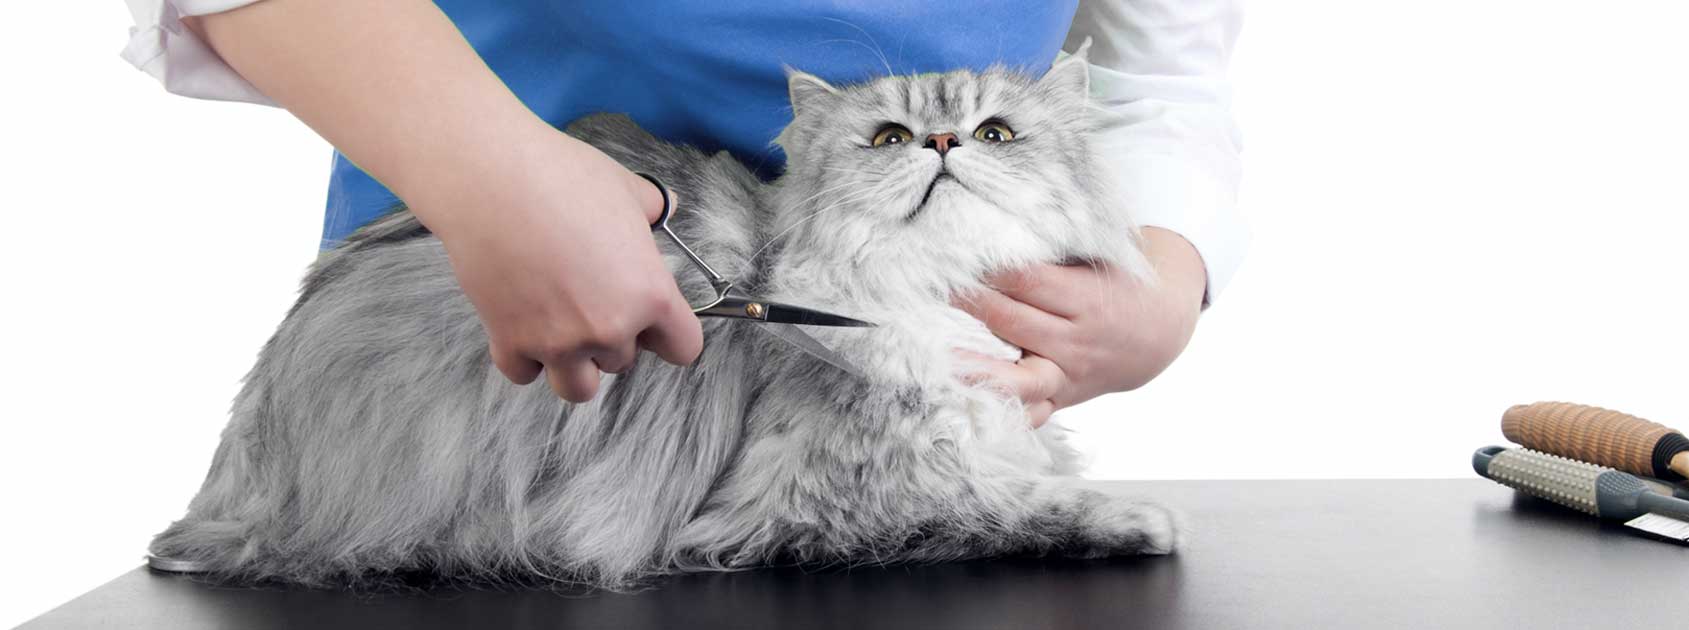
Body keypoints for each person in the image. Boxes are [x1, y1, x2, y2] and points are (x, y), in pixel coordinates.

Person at [120, 0, 1248, 426]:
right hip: (485, 402)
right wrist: (491, 180)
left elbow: (1151, 76)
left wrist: (1161, 279)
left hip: (901, 411)